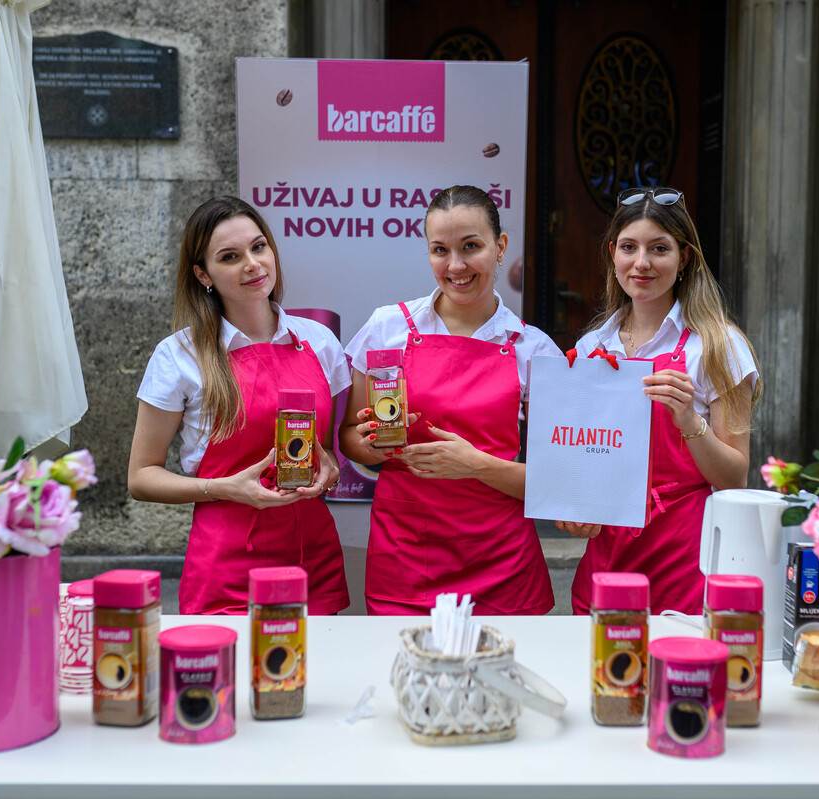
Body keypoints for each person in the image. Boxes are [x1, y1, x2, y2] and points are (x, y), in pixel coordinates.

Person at [340, 185, 559, 615]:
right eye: (440, 250)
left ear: (501, 247)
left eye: (471, 247)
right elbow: (349, 438)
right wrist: (372, 445)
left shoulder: (533, 349)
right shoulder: (386, 328)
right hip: (404, 561)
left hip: (502, 567)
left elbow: (555, 482)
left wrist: (475, 464)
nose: (455, 266)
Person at [127, 196, 351, 615]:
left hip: (310, 560)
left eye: (258, 247)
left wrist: (332, 468)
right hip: (226, 571)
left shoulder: (321, 342)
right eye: (230, 257)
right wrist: (223, 489)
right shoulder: (179, 355)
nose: (252, 264)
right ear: (202, 274)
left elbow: (333, 452)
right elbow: (141, 477)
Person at [560, 187, 761, 616]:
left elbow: (734, 477)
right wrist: (574, 511)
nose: (642, 263)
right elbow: (583, 465)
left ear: (684, 257)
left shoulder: (718, 346)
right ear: (613, 253)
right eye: (630, 247)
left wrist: (690, 419)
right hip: (607, 561)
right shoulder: (591, 348)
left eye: (660, 249)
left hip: (684, 558)